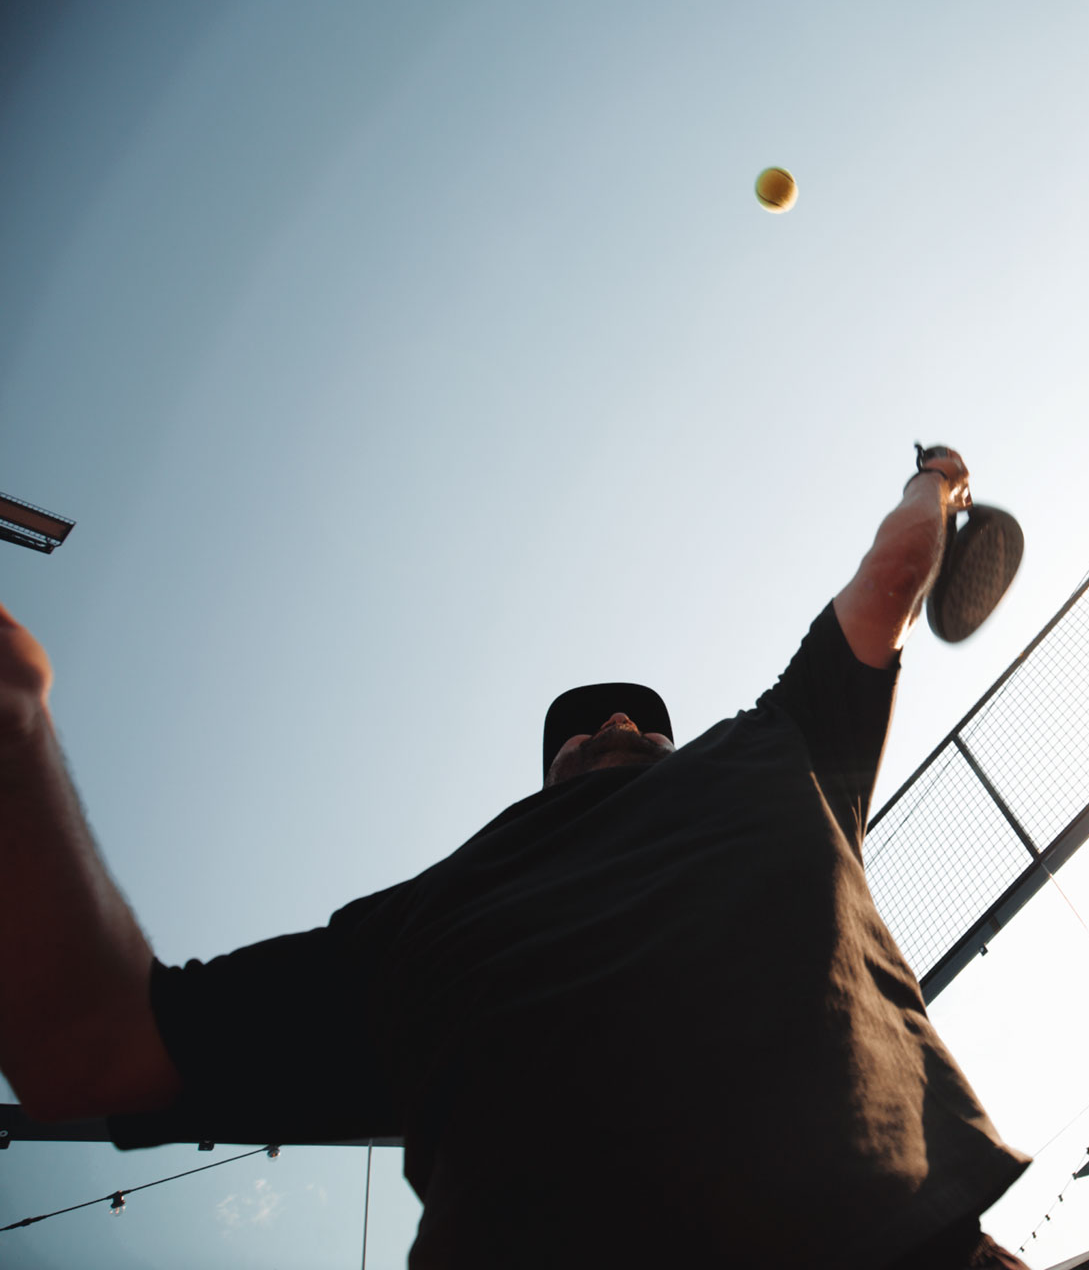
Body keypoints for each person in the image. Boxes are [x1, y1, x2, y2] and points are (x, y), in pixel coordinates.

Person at [0, 446, 1031, 1267]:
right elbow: (89, 1044)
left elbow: (894, 573)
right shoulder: (416, 923)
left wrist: (936, 480)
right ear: (547, 779)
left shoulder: (779, 745)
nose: (615, 716)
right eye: (579, 727)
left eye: (637, 715)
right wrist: (15, 713)